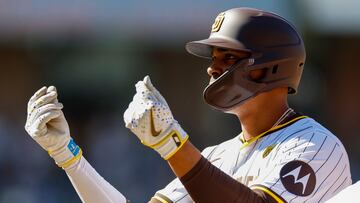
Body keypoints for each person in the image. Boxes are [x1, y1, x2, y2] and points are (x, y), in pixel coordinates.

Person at [25, 7, 352, 203]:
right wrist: (68, 155)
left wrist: (172, 144)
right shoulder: (215, 157)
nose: (212, 69)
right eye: (214, 59)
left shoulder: (316, 144)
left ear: (268, 68)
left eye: (228, 58)